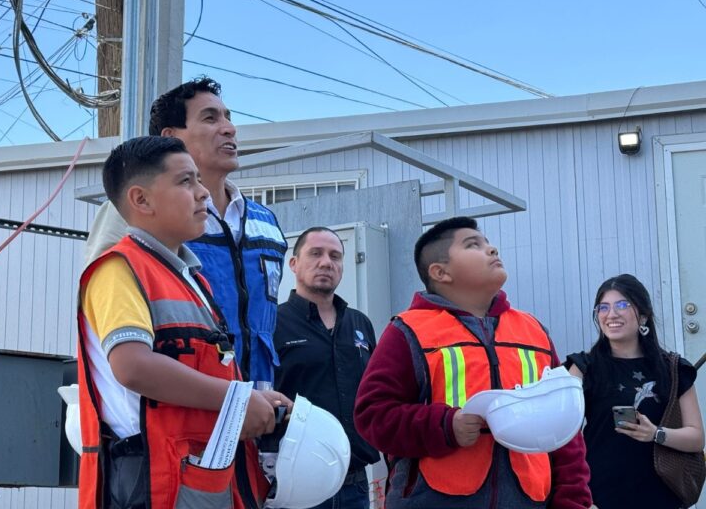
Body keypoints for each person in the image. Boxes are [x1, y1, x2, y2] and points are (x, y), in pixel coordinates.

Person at [77, 136, 292, 508]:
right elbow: (133, 367)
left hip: (193, 479)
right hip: (147, 482)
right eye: (185, 182)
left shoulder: (190, 277)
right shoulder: (118, 269)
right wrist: (239, 400)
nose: (202, 193)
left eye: (198, 180)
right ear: (140, 200)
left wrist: (252, 398)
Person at [353, 216, 593, 508]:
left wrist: (574, 501)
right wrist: (444, 426)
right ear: (441, 272)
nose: (492, 250)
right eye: (473, 245)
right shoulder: (408, 331)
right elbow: (372, 415)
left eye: (489, 243)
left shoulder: (533, 330)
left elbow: (562, 425)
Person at [84, 77, 287, 389]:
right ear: (171, 136)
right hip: (182, 413)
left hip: (257, 412)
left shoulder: (266, 222)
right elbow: (107, 310)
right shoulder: (132, 212)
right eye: (210, 117)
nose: (229, 128)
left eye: (228, 117)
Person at [566, 274, 705, 509]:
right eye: (603, 307)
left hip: (661, 496)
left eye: (622, 305)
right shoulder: (583, 367)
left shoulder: (673, 369)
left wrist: (655, 433)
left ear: (642, 315)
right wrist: (579, 498)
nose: (612, 314)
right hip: (599, 496)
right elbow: (563, 438)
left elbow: (696, 438)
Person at [274, 227, 381, 509]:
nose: (326, 263)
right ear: (294, 264)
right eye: (315, 253)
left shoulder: (360, 324)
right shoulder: (272, 323)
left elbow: (375, 394)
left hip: (355, 486)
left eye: (335, 256)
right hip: (295, 486)